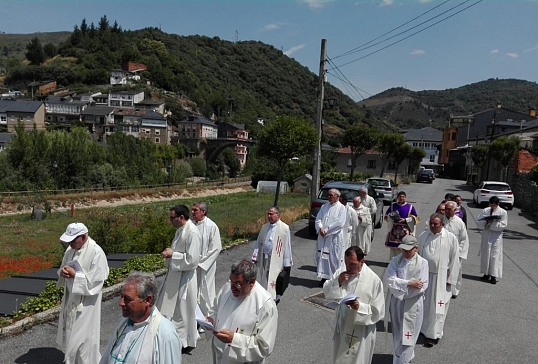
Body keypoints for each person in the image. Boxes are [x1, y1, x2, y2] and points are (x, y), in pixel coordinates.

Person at [99, 272, 182, 364]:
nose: (121, 303)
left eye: (127, 299)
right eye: (121, 297)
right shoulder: (123, 323)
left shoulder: (165, 334)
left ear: (147, 300)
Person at [56, 222, 109, 364]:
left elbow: (97, 281)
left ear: (83, 237)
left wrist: (76, 276)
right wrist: (62, 272)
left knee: (84, 339)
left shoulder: (96, 252)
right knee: (72, 334)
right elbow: (62, 267)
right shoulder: (70, 250)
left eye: (73, 240)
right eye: (68, 241)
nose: (70, 243)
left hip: (87, 304)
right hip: (71, 299)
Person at [207, 260, 278, 364]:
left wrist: (234, 340)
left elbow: (264, 347)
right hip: (219, 357)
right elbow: (215, 309)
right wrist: (210, 320)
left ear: (252, 282)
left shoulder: (265, 305)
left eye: (238, 284)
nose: (232, 287)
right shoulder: (227, 288)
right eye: (231, 281)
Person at [323, 246, 385, 364]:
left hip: (361, 331)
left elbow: (378, 312)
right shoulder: (342, 271)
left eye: (352, 264)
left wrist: (359, 307)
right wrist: (338, 282)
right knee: (338, 357)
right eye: (346, 263)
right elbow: (326, 290)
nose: (348, 267)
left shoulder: (374, 281)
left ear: (362, 262)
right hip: (342, 324)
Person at [155, 204, 202, 354]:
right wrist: (172, 254)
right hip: (176, 276)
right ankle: (174, 339)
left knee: (182, 311)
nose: (171, 221)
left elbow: (193, 260)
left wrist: (172, 254)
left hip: (185, 279)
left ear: (181, 217)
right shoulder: (180, 231)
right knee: (175, 310)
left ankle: (184, 341)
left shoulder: (192, 233)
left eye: (172, 218)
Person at [385, 235, 429, 364]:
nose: (404, 252)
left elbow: (421, 286)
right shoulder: (396, 260)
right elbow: (389, 279)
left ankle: (403, 360)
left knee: (410, 334)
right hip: (397, 303)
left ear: (416, 248)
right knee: (399, 334)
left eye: (407, 250)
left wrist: (401, 286)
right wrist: (408, 283)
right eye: (403, 250)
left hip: (413, 304)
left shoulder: (423, 263)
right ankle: (400, 358)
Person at [418, 213, 459, 347]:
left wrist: (451, 280)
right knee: (424, 305)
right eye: (431, 223)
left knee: (437, 307)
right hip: (425, 277)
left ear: (442, 224)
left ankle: (433, 335)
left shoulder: (450, 238)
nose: (432, 226)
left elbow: (454, 260)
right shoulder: (423, 236)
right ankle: (423, 330)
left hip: (441, 278)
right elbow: (418, 256)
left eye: (436, 224)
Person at [252, 206, 293, 304]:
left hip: (277, 259)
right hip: (265, 257)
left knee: (275, 278)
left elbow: (287, 246)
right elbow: (259, 242)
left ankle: (276, 297)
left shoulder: (284, 228)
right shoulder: (264, 227)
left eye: (271, 214)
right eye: (268, 214)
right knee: (265, 277)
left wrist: (287, 262)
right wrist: (255, 256)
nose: (269, 216)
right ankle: (265, 296)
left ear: (278, 215)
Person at [192, 201, 222, 316]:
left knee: (206, 291)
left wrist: (202, 263)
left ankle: (209, 317)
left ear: (203, 212)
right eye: (192, 210)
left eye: (195, 210)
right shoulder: (190, 225)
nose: (192, 212)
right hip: (192, 265)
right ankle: (195, 318)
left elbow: (216, 247)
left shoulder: (211, 226)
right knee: (192, 291)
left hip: (206, 266)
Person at [315, 188, 346, 286]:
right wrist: (320, 228)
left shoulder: (341, 208)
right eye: (328, 195)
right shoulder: (324, 206)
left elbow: (340, 223)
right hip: (323, 236)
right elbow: (318, 218)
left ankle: (333, 279)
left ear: (337, 196)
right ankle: (323, 277)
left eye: (330, 195)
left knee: (333, 258)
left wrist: (327, 230)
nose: (328, 197)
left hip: (333, 237)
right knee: (322, 257)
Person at [477, 196, 508, 285]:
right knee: (486, 254)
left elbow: (503, 225)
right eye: (490, 205)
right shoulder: (485, 210)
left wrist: (492, 222)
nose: (492, 207)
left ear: (498, 204)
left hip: (495, 236)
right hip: (486, 234)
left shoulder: (503, 212)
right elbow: (479, 221)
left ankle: (493, 275)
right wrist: (486, 222)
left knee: (494, 256)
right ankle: (486, 273)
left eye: (493, 205)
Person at [443, 201, 469, 298]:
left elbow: (464, 239)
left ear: (455, 210)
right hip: (443, 250)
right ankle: (444, 288)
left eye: (449, 209)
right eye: (446, 209)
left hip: (455, 252)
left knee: (456, 271)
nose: (446, 211)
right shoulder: (442, 220)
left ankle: (455, 291)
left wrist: (460, 253)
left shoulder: (459, 223)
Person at [384, 191, 419, 260]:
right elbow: (386, 216)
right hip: (394, 230)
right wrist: (391, 218)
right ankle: (393, 260)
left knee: (404, 246)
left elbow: (416, 219)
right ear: (397, 198)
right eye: (400, 197)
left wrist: (405, 220)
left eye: (403, 197)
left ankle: (404, 260)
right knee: (394, 249)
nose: (401, 198)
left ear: (405, 198)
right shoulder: (393, 206)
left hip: (405, 230)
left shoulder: (410, 207)